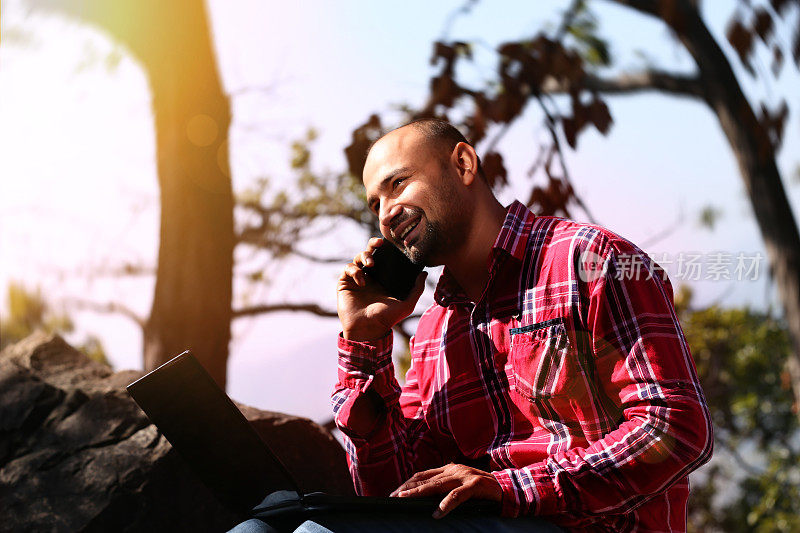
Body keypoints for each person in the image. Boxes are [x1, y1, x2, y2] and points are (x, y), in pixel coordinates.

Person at [231, 119, 712, 532]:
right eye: (374, 203)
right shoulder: (434, 331)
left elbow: (677, 428)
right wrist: (365, 340)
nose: (385, 214)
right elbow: (394, 493)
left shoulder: (588, 259)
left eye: (397, 185)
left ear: (463, 164)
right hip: (478, 525)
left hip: (585, 525)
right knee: (261, 524)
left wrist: (508, 489)